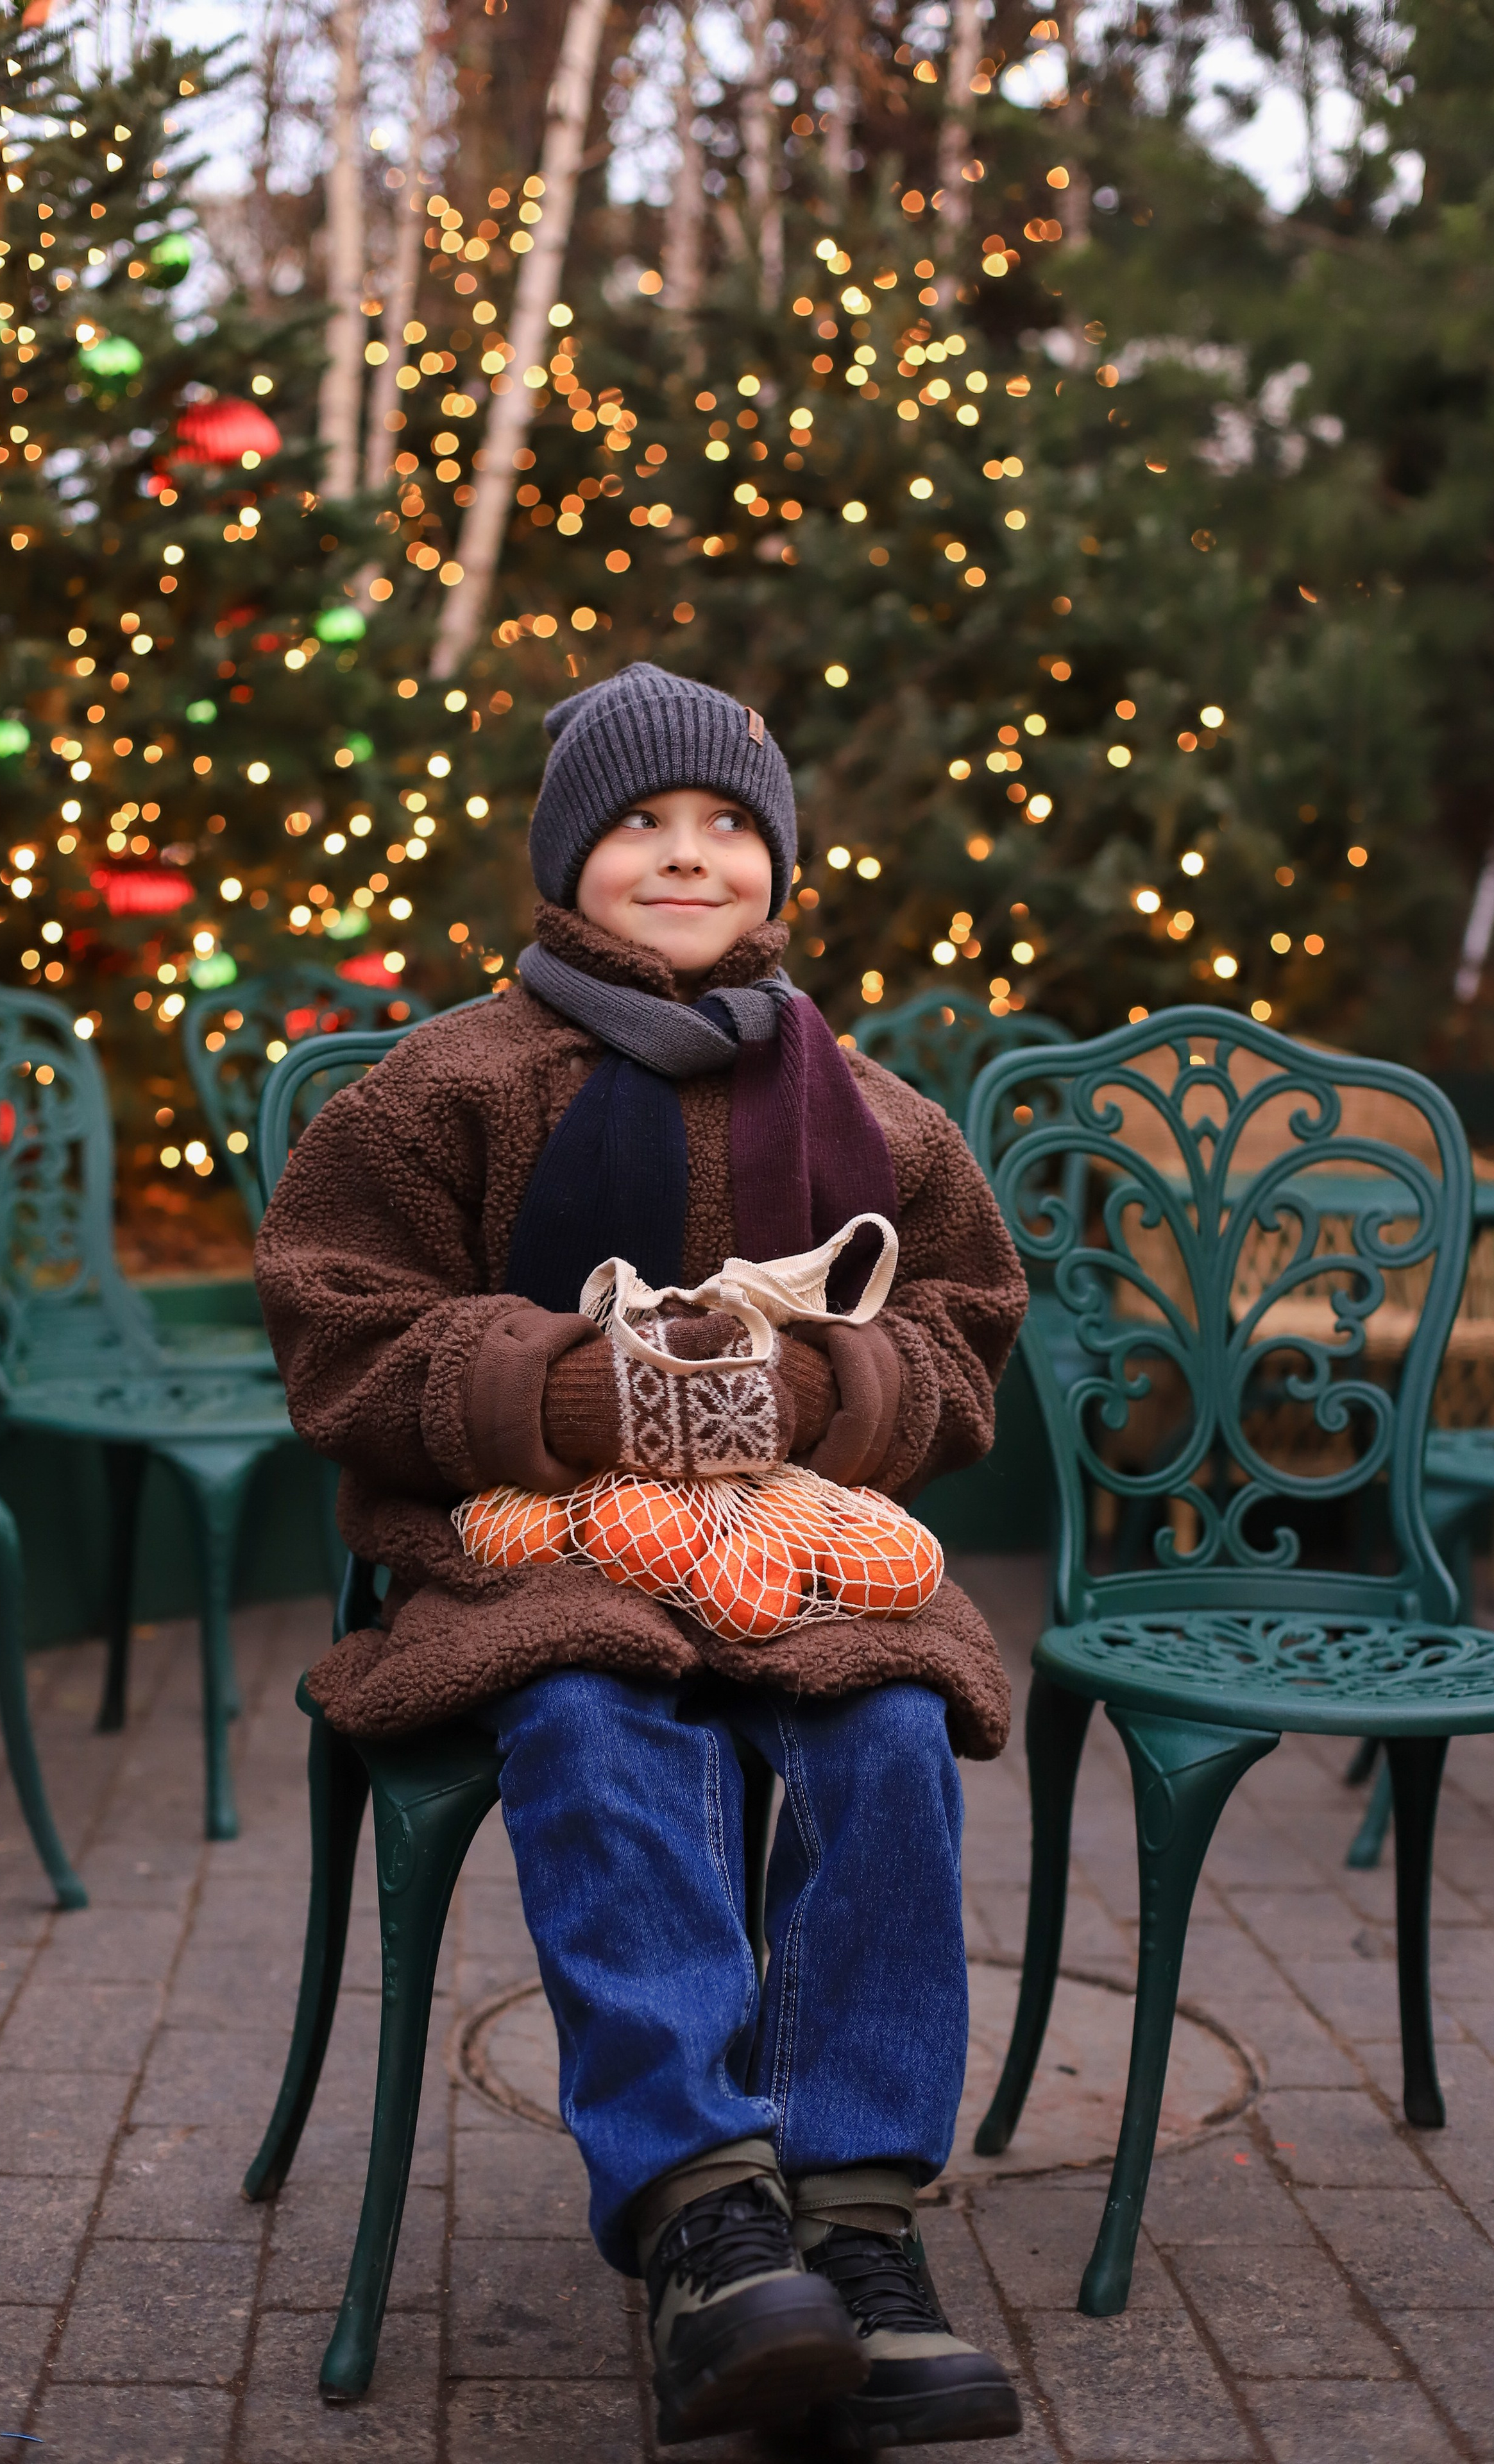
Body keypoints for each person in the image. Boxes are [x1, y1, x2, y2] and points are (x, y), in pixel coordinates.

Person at [257, 662, 1030, 2449]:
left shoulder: (878, 1114)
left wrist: (828, 1382)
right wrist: (569, 1390)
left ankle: (857, 2222)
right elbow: (338, 1329)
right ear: (563, 855)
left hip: (791, 1552)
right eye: (640, 826)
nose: (687, 857)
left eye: (726, 828)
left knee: (892, 1734)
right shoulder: (444, 1084)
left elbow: (966, 1334)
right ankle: (705, 2220)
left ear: (776, 866)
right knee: (597, 1722)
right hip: (542, 1553)